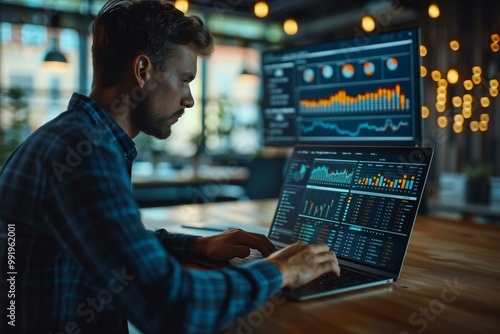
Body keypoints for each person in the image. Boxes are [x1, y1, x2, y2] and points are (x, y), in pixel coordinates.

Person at [0, 1, 340, 333]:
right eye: (184, 79)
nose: (189, 98)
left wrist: (197, 245)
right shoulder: (85, 154)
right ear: (143, 71)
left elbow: (112, 242)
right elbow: (171, 305)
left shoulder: (74, 138)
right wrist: (281, 270)